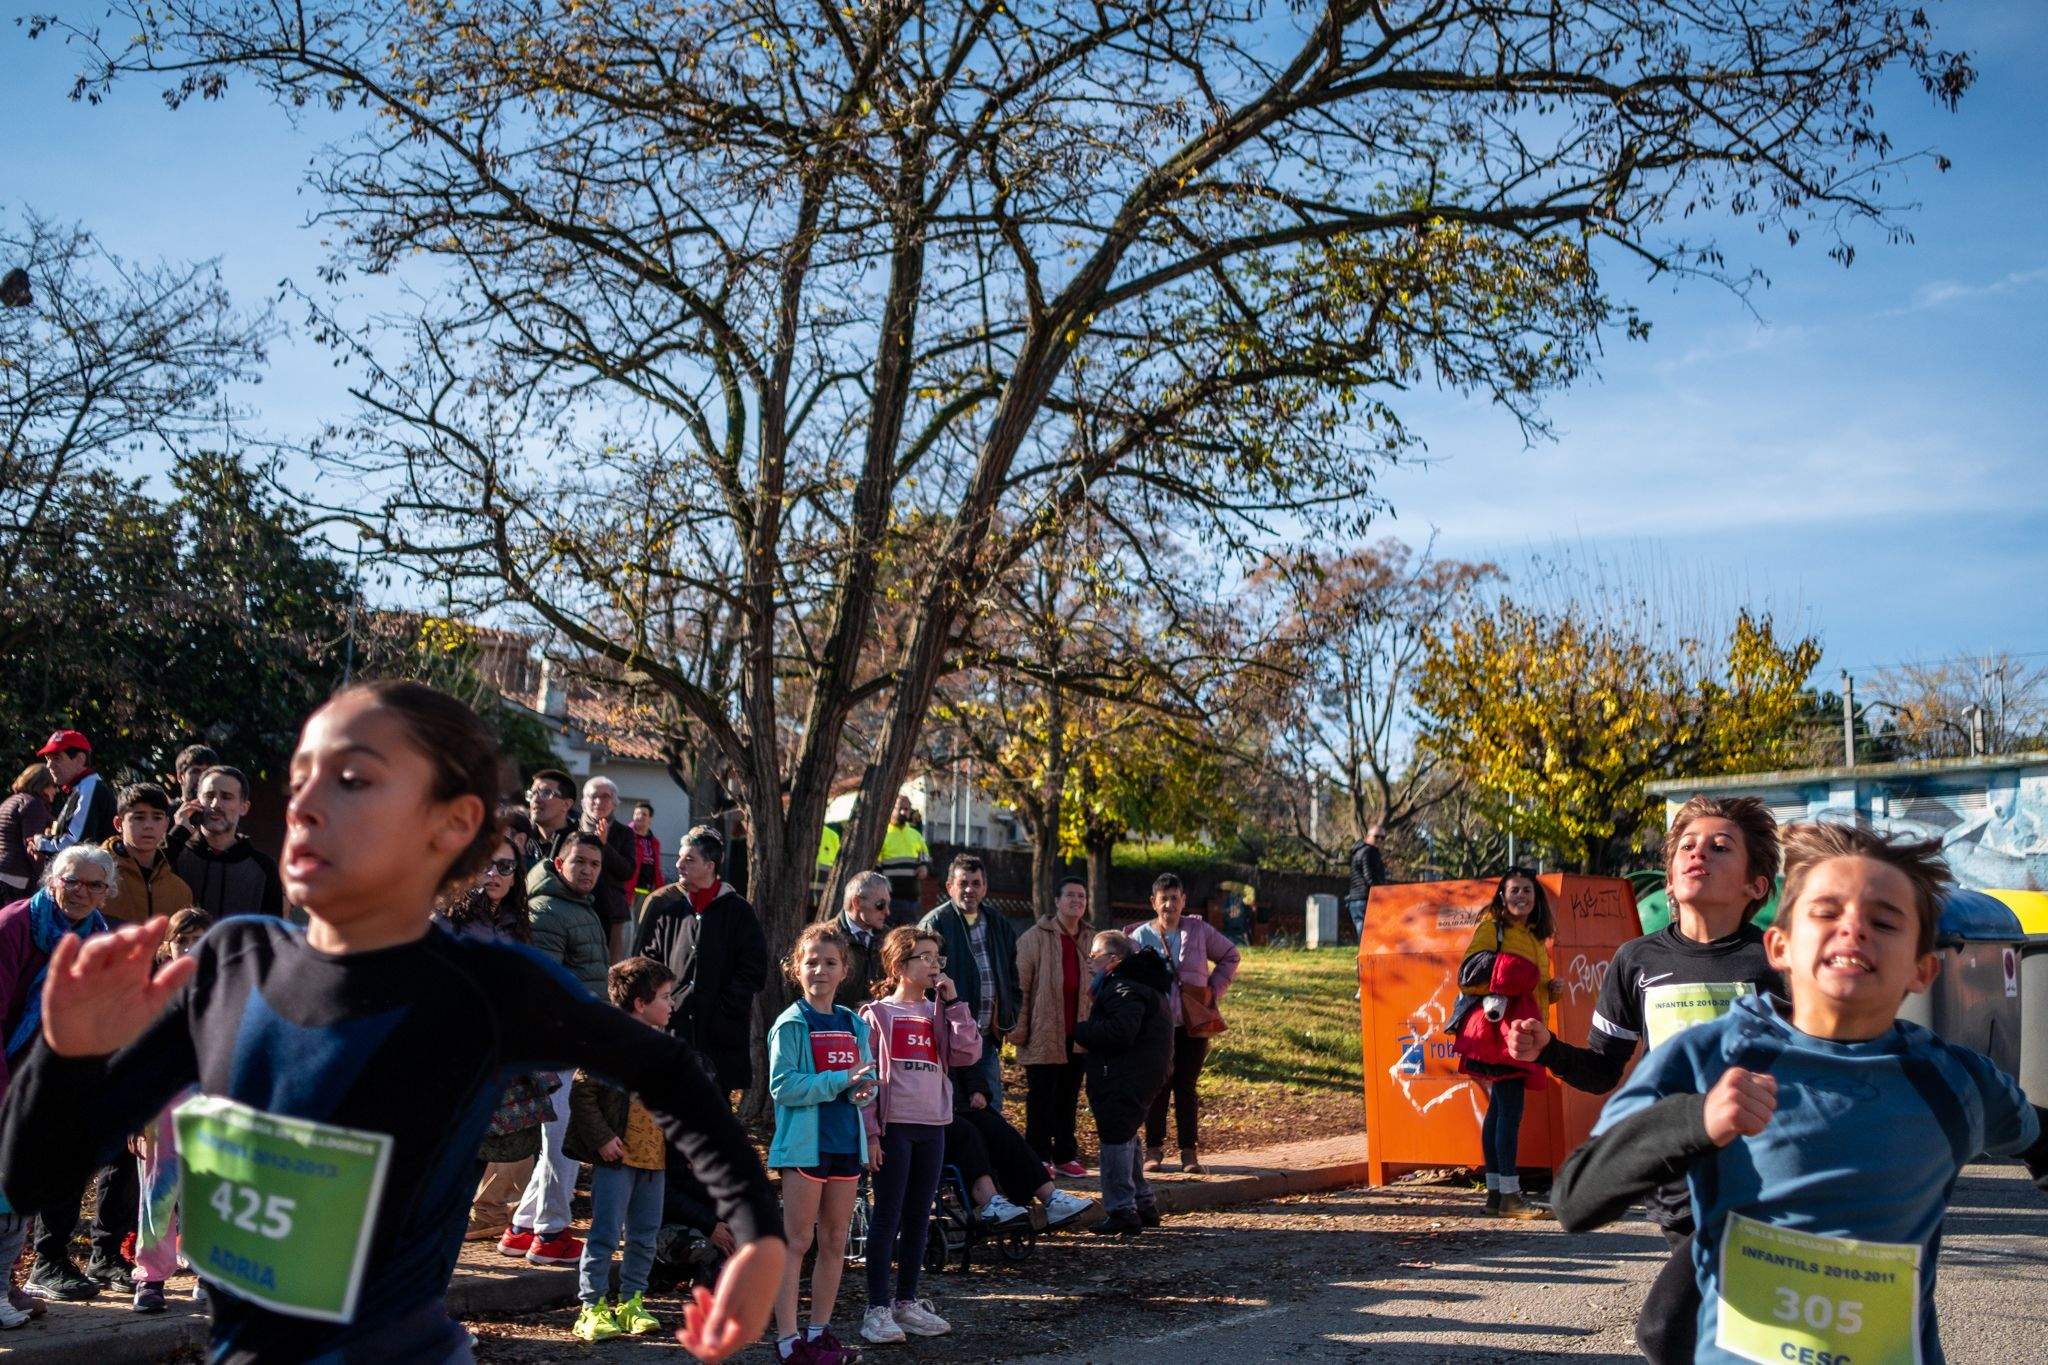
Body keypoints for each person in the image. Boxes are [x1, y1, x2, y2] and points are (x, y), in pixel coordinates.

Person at [0, 680, 786, 1363]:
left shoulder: (482, 985)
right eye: (301, 777)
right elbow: (29, 1179)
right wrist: (65, 1057)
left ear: (449, 825)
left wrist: (757, 1234)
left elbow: (668, 1069)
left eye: (351, 779)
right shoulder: (230, 964)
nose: (305, 802)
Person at [1554, 820, 2048, 1365]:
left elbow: (2038, 1136)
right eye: (1827, 912)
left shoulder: (1952, 1084)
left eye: (1884, 921)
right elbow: (1577, 1198)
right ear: (1779, 946)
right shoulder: (1706, 1058)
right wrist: (1695, 1120)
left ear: (1923, 970)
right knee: (1663, 1329)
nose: (1854, 930)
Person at [1505, 794, 1783, 1360]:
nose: (1697, 853)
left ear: (1756, 886)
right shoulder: (1635, 962)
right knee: (1736, 1326)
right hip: (1677, 1179)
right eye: (1686, 845)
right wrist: (1549, 1050)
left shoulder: (1774, 963)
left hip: (1757, 1178)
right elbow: (1605, 1070)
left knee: (1665, 1330)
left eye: (1720, 847)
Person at [3, 846, 119, 1303]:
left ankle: (8, 1282)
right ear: (52, 879)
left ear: (106, 893)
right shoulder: (15, 926)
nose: (81, 892)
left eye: (94, 885)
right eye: (72, 880)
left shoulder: (98, 936)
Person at [856, 925, 982, 1345]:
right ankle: (876, 1308)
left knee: (920, 1216)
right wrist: (871, 1134)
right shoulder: (877, 1014)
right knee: (887, 1215)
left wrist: (954, 1003)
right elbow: (867, 1080)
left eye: (937, 958)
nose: (933, 966)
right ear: (898, 966)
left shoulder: (939, 1012)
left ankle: (907, 1302)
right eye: (924, 957)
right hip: (894, 1128)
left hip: (933, 1126)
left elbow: (966, 1053)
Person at [433, 827, 549, 1246]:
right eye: (487, 865)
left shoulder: (519, 923)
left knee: (511, 1135)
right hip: (456, 1049)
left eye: (506, 867)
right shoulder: (449, 917)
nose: (495, 874)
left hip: (506, 1048)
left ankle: (484, 1213)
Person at [766, 922, 875, 1365]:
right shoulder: (790, 1022)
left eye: (830, 963)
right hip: (804, 1149)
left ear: (843, 970)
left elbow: (861, 1084)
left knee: (834, 1242)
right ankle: (788, 1341)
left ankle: (819, 1334)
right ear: (797, 967)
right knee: (797, 1242)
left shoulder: (852, 1022)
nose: (820, 970)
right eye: (811, 962)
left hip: (847, 1145)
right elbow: (783, 1086)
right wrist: (839, 1081)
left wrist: (864, 1090)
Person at [503, 830, 611, 1267]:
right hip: (556, 1048)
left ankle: (523, 1228)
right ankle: (551, 1236)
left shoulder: (577, 907)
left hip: (572, 1042)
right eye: (579, 861)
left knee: (558, 1141)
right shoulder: (547, 909)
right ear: (559, 862)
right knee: (563, 1143)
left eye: (595, 864)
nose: (587, 871)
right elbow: (543, 988)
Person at [563, 956, 678, 1343]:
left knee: (645, 1234)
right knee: (605, 1233)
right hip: (617, 1158)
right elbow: (583, 1093)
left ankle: (632, 1301)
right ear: (641, 1004)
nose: (672, 1004)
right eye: (665, 997)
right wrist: (601, 1139)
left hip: (654, 1160)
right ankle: (591, 1306)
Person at [1449, 867, 1556, 1220]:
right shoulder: (1492, 929)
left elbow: (1529, 989)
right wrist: (1512, 975)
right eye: (1514, 891)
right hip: (1502, 1035)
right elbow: (1471, 977)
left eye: (1527, 890)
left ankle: (1496, 1194)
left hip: (1523, 1030)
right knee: (1509, 1113)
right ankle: (1510, 1196)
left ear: (1536, 898)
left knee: (1499, 1112)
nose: (1521, 896)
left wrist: (1548, 993)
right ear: (1502, 896)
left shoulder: (1535, 936)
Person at [635, 825, 769, 1097]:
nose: (679, 864)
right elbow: (650, 962)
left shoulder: (738, 911)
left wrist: (725, 1007)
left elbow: (753, 968)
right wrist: (664, 1002)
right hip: (675, 1031)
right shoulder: (670, 909)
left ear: (710, 865)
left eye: (689, 859)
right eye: (680, 858)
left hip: (719, 1037)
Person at [129, 907, 212, 1313]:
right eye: (184, 940)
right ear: (168, 945)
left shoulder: (227, 990)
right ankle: (151, 1277)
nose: (191, 948)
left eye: (200, 939)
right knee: (157, 1193)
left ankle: (206, 1270)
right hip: (161, 1109)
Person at [1127, 873, 1239, 1173]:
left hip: (1193, 1023)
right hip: (1156, 1027)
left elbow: (1230, 955)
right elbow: (1127, 978)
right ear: (1153, 903)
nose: (1169, 904)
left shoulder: (1199, 930)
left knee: (1186, 1087)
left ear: (1183, 901)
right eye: (1163, 899)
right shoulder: (1139, 938)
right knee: (1158, 1086)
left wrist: (1213, 991)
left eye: (1174, 898)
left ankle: (1189, 1153)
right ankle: (1153, 1150)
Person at [1074, 931, 1175, 1236]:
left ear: (1113, 959)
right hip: (1144, 1071)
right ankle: (1143, 1204)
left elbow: (1120, 1032)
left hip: (1124, 1074)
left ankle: (1121, 1210)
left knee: (1115, 1137)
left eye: (1095, 955)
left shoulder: (1122, 986)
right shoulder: (1141, 983)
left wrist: (1082, 1031)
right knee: (1126, 1135)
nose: (1090, 961)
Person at [919, 855, 1018, 1112]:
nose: (969, 890)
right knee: (952, 1111)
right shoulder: (935, 924)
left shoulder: (999, 924)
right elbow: (922, 981)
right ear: (950, 886)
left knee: (991, 1110)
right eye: (963, 883)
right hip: (948, 1040)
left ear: (985, 887)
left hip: (985, 1038)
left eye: (976, 883)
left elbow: (1011, 976)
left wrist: (1010, 1016)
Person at [1014, 876, 1093, 1174]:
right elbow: (1020, 986)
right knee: (1041, 1096)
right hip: (1043, 1029)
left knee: (1069, 1095)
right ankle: (1038, 1156)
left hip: (1080, 1032)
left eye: (1082, 897)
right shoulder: (1035, 938)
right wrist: (1018, 1029)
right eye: (1070, 896)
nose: (1076, 901)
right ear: (1057, 902)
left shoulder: (1091, 938)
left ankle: (1064, 1155)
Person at [168, 766, 284, 919]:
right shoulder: (176, 855)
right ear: (197, 801)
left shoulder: (263, 868)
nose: (216, 804)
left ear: (244, 807)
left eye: (226, 797)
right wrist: (178, 832)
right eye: (209, 796)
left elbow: (271, 932)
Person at [103, 784, 195, 925]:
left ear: (166, 824)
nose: (148, 825)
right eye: (139, 818)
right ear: (119, 823)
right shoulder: (98, 875)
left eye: (157, 818)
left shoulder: (180, 891)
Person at [580, 776, 639, 959]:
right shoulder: (573, 828)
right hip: (577, 907)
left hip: (613, 912)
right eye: (593, 796)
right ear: (583, 802)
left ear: (614, 803)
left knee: (612, 971)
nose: (599, 802)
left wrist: (604, 845)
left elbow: (627, 871)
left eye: (606, 797)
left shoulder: (624, 833)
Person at [34, 730, 115, 858]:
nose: (49, 765)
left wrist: (40, 843)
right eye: (48, 759)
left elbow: (75, 844)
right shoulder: (82, 787)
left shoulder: (89, 788)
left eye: (56, 758)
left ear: (80, 759)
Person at [830, 870, 891, 1008]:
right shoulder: (828, 937)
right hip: (838, 1023)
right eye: (880, 905)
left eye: (888, 904)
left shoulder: (890, 938)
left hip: (879, 1023)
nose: (887, 912)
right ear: (857, 902)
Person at [0, 765, 56, 897]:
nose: (56, 790)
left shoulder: (11, 801)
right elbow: (32, 846)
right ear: (43, 785)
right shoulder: (33, 804)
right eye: (53, 785)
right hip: (16, 876)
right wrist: (44, 877)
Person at [878, 796, 931, 925]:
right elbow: (876, 867)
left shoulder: (916, 835)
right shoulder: (882, 834)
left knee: (910, 940)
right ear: (891, 808)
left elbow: (925, 856)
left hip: (911, 900)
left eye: (906, 809)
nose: (903, 812)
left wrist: (924, 866)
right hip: (890, 900)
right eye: (899, 808)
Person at [525, 768, 576, 866]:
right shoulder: (522, 840)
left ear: (566, 804)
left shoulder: (578, 846)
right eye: (532, 793)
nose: (535, 799)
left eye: (545, 793)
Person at [1345, 823, 1387, 942]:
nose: (1379, 840)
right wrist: (1382, 892)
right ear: (1368, 836)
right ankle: (1369, 960)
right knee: (1370, 937)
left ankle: (1363, 960)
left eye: (1383, 838)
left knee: (1362, 935)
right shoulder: (1370, 851)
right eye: (1376, 837)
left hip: (1354, 899)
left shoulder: (1357, 851)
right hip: (1367, 898)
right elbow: (1369, 876)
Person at [630, 800, 664, 901]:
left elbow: (657, 868)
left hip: (647, 890)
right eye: (637, 813)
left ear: (650, 819)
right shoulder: (626, 835)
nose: (640, 816)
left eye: (644, 814)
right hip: (629, 890)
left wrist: (660, 889)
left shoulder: (654, 842)